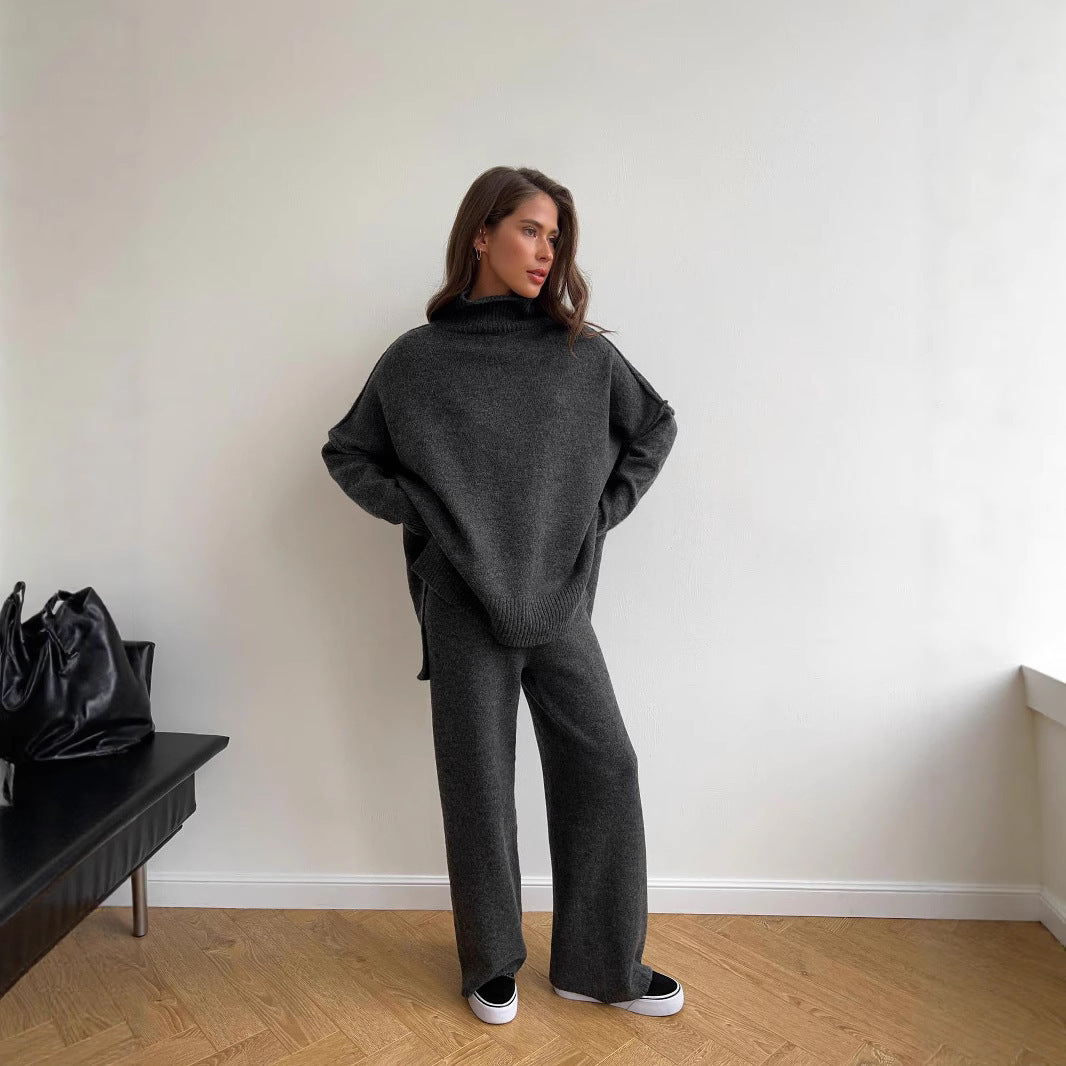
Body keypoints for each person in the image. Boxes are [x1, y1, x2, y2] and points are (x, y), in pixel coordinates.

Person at [321, 166, 682, 1025]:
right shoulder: (416, 360)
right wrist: (426, 516)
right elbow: (347, 452)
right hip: (463, 603)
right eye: (530, 230)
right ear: (481, 235)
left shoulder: (583, 354)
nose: (546, 250)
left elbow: (654, 425)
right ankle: (490, 962)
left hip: (559, 601)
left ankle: (598, 965)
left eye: (555, 237)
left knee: (606, 764)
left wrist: (598, 516)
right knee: (479, 784)